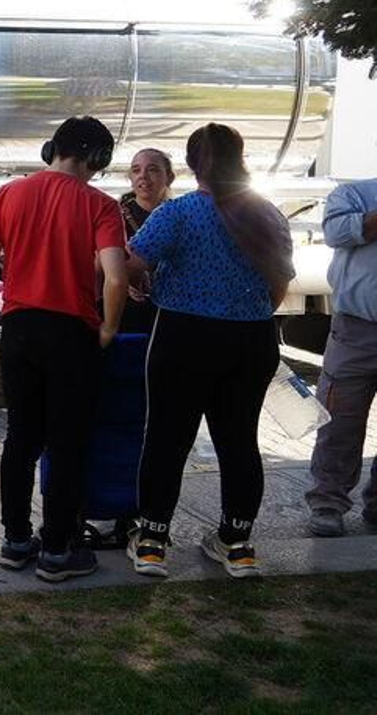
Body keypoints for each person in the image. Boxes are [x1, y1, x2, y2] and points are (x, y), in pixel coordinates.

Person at [125, 123, 295, 579]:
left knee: (166, 439)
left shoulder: (177, 213)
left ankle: (152, 543)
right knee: (239, 442)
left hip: (183, 336)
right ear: (240, 159)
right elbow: (280, 283)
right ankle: (237, 545)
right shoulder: (268, 215)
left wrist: (142, 281)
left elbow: (131, 265)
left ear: (190, 165)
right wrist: (246, 311)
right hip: (252, 339)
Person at [0, 116, 128, 583]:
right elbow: (116, 279)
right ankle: (58, 550)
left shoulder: (10, 193)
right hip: (72, 334)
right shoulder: (101, 206)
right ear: (96, 159)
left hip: (19, 328)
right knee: (67, 443)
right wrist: (108, 328)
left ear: (51, 149)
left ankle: (16, 540)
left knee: (20, 438)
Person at [304, 174, 377, 537]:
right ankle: (328, 503)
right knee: (339, 423)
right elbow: (337, 233)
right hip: (356, 329)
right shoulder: (353, 193)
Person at [120, 148, 176, 334]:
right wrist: (122, 281)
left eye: (152, 170)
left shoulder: (179, 216)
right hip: (126, 309)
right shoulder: (114, 216)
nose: (143, 176)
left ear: (169, 177)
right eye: (136, 170)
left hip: (169, 308)